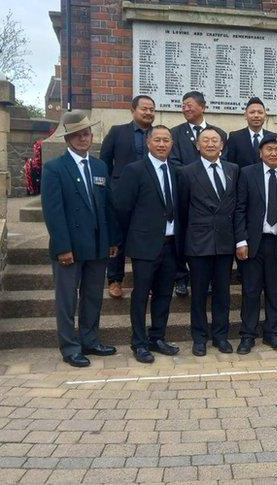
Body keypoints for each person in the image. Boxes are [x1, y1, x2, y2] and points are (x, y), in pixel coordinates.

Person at [40, 110, 120, 368]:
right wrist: (63, 247)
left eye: (86, 134)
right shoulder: (54, 168)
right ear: (68, 139)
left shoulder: (99, 166)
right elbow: (53, 212)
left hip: (97, 244)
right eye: (77, 135)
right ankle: (70, 347)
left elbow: (108, 207)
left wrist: (112, 241)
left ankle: (90, 339)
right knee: (67, 300)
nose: (83, 139)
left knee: (93, 296)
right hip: (70, 247)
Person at [111, 125, 182, 364]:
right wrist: (121, 241)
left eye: (166, 140)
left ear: (172, 144)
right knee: (141, 295)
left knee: (164, 294)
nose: (162, 144)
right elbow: (122, 208)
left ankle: (157, 337)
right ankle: (139, 343)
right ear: (149, 143)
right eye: (158, 140)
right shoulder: (135, 170)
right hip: (144, 245)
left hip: (171, 244)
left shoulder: (176, 171)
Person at [234, 133, 277, 354]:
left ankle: (273, 333)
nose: (274, 153)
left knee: (274, 290)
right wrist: (240, 240)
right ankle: (248, 335)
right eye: (269, 149)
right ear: (261, 152)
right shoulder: (247, 173)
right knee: (250, 291)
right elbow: (240, 208)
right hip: (252, 243)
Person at [177, 127, 239, 356]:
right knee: (199, 294)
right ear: (197, 146)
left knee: (222, 293)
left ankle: (221, 336)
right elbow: (182, 210)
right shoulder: (186, 172)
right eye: (206, 140)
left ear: (222, 145)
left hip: (225, 242)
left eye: (215, 140)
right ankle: (199, 337)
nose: (211, 144)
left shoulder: (233, 170)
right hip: (198, 242)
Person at [169, 90, 228, 297]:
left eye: (189, 104)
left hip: (212, 196)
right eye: (183, 105)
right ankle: (181, 277)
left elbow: (221, 163)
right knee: (183, 233)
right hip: (185, 191)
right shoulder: (175, 133)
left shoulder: (218, 133)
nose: (185, 108)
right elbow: (173, 162)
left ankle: (209, 279)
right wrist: (195, 174)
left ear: (202, 107)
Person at [101, 95, 157, 300]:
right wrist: (109, 189)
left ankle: (147, 281)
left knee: (145, 239)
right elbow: (104, 162)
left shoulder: (158, 134)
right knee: (119, 236)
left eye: (152, 109)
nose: (148, 112)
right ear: (132, 110)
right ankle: (115, 280)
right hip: (121, 195)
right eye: (144, 109)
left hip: (150, 196)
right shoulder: (118, 132)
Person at [226, 97, 275, 169]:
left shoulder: (271, 137)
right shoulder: (235, 137)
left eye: (260, 113)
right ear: (245, 115)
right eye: (252, 112)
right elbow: (230, 165)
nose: (256, 116)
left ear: (265, 116)